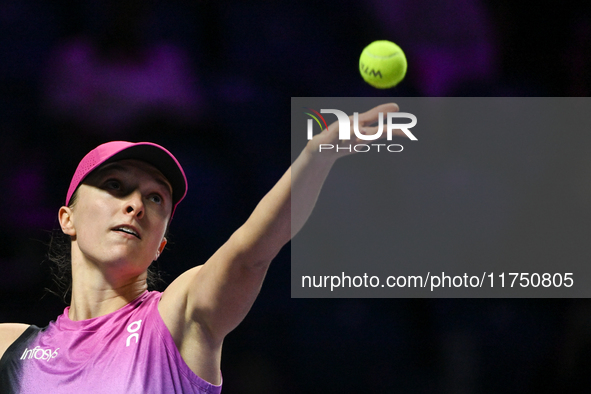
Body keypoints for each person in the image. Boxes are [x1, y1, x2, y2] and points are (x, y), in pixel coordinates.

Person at [0, 103, 400, 393]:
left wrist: (317, 154)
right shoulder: (12, 348)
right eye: (115, 186)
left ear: (161, 245)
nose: (136, 204)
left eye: (156, 199)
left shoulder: (178, 317)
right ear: (67, 218)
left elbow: (248, 256)